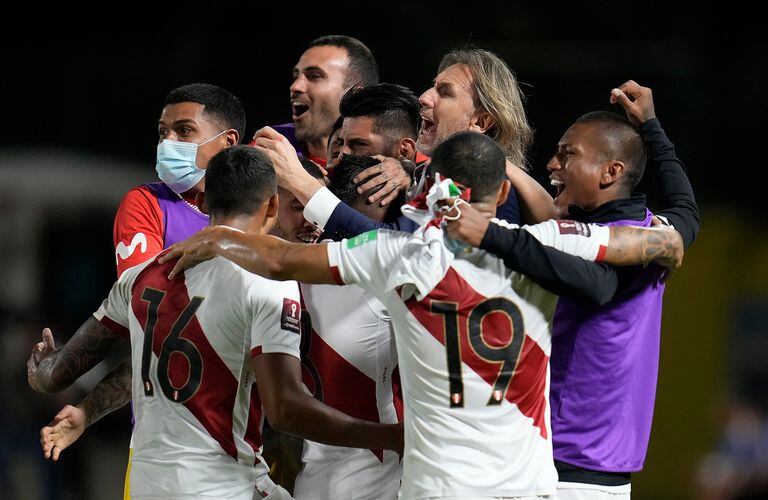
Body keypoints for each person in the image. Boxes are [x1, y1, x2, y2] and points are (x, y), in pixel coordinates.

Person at [158, 132, 684, 499]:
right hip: (527, 486)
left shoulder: (397, 255)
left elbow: (276, 260)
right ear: (501, 193)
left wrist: (219, 236)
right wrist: (671, 242)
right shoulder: (549, 242)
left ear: (432, 186)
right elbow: (653, 242)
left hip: (440, 486)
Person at [35, 146, 402, 499]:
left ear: (204, 202)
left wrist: (77, 400)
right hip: (221, 484)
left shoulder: (142, 275)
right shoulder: (268, 283)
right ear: (272, 203)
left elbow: (53, 374)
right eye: (295, 206)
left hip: (147, 482)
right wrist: (392, 436)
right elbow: (286, 409)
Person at [445, 82, 700, 499]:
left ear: (611, 171)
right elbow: (686, 208)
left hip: (559, 471)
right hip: (603, 474)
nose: (553, 163)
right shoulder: (655, 232)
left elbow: (597, 285)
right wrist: (651, 125)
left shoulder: (594, 244)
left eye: (568, 155)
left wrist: (491, 235)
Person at [258, 47, 557, 247]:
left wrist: (301, 183)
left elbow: (399, 252)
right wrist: (410, 169)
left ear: (480, 121)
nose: (424, 98)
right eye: (432, 86)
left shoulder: (491, 187)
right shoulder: (425, 176)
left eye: (445, 92)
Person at [115, 82, 244, 276]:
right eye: (163, 132)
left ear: (229, 142)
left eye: (184, 130)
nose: (167, 142)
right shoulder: (146, 201)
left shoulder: (257, 203)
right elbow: (142, 290)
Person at [279, 35, 379, 168]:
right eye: (296, 76)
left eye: (314, 76)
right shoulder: (272, 145)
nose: (295, 87)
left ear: (355, 96)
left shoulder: (390, 169)